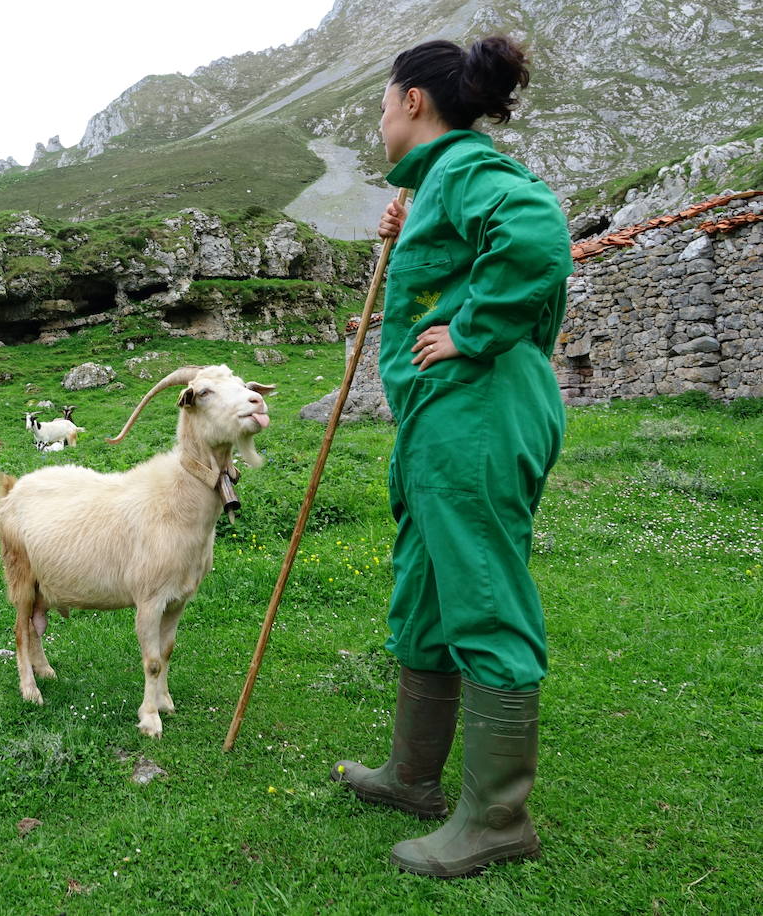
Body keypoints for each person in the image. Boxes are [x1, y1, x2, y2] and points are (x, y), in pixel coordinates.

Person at [329, 36, 573, 877]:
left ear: (413, 102)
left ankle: (499, 818)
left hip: (479, 408)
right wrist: (413, 218)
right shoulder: (442, 183)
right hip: (446, 418)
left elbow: (538, 237)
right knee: (429, 587)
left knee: (480, 589)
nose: (380, 117)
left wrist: (471, 332)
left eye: (383, 102)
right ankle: (413, 776)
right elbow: (460, 259)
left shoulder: (468, 173)